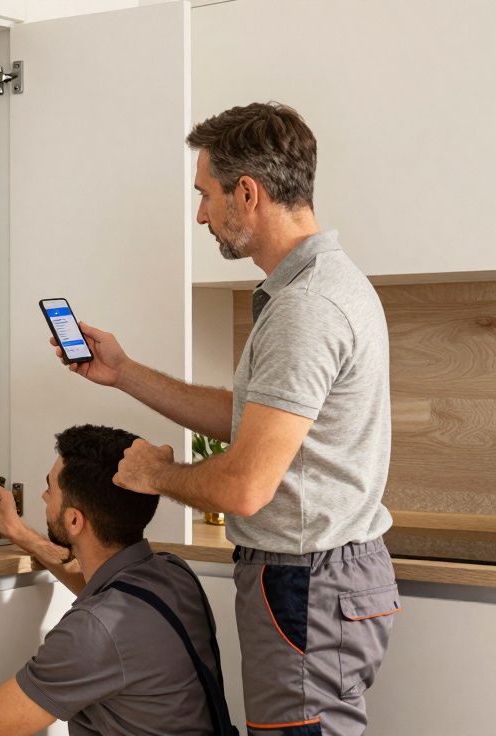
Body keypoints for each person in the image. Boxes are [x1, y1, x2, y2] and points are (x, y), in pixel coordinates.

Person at [49, 103, 399, 736]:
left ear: (248, 193)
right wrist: (124, 372)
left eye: (206, 195)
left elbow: (244, 486)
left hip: (306, 581)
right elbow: (252, 419)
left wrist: (158, 475)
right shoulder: (320, 287)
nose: (201, 215)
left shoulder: (307, 307)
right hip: (320, 577)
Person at [0, 424, 237, 736]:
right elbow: (96, 589)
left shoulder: (93, 632)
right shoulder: (173, 574)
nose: (43, 496)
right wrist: (17, 531)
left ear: (75, 521)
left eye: (50, 488)